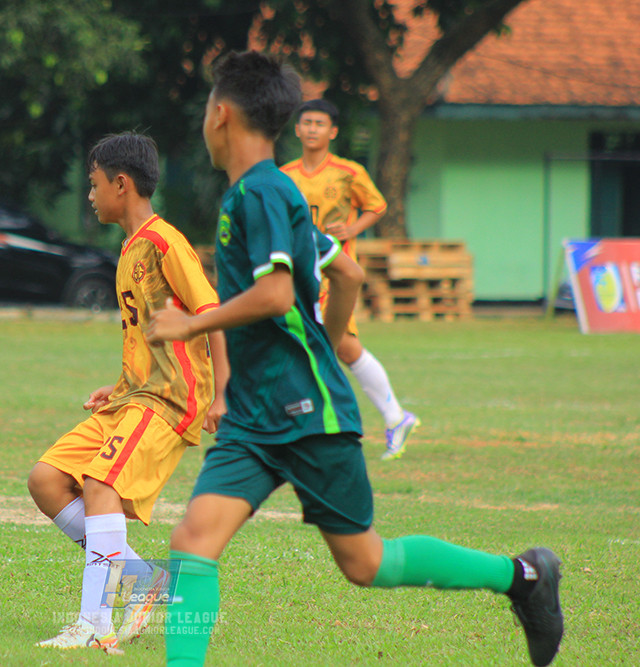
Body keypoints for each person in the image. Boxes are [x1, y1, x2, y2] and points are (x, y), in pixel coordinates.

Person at [146, 50, 563, 667]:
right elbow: (345, 270)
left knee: (366, 563)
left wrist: (192, 321)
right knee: (193, 541)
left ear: (222, 115)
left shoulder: (258, 193)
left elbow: (278, 293)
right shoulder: (273, 191)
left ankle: (524, 577)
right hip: (254, 419)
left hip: (306, 411)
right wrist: (327, 339)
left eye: (208, 106)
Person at [27, 131, 229, 655]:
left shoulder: (165, 242)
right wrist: (118, 386)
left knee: (100, 485)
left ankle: (95, 623)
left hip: (169, 399)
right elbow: (145, 334)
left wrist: (223, 394)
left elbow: (213, 315)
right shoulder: (129, 247)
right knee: (47, 480)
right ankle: (148, 581)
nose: (89, 196)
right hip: (135, 395)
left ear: (122, 183)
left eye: (93, 185)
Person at [281, 99, 418, 460]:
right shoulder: (284, 174)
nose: (311, 128)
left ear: (333, 131)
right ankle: (390, 417)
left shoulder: (348, 171)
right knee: (330, 348)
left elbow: (377, 205)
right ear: (297, 129)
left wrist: (351, 229)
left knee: (333, 347)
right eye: (306, 122)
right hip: (297, 277)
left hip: (334, 277)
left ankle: (331, 426)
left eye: (319, 123)